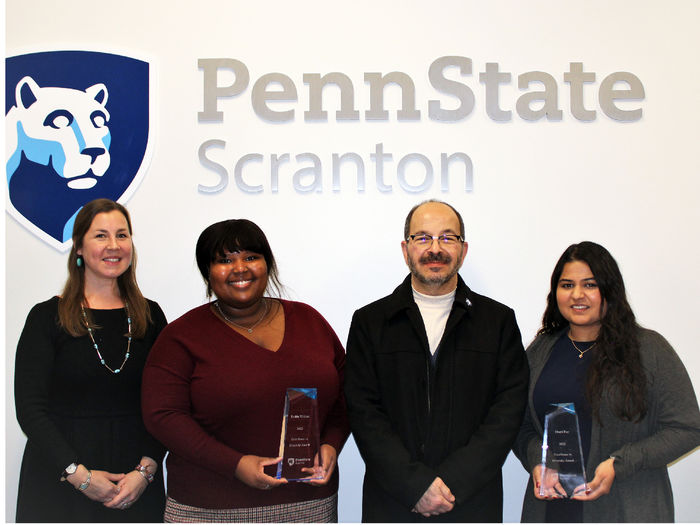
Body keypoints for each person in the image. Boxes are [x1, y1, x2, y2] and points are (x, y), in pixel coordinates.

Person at [142, 218, 349, 523]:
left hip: (309, 504)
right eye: (224, 260)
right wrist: (235, 464)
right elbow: (163, 417)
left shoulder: (309, 321)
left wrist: (331, 443)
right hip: (210, 508)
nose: (240, 268)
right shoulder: (181, 337)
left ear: (268, 264)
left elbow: (347, 396)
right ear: (207, 273)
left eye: (251, 257)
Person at [344, 199, 529, 522]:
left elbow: (507, 410)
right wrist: (414, 485)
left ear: (463, 249)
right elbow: (363, 413)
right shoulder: (371, 322)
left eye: (447, 238)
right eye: (423, 238)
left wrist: (453, 482)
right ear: (406, 249)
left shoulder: (497, 322)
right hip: (393, 502)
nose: (435, 248)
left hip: (472, 503)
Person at [513, 241, 700, 522]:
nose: (577, 295)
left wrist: (620, 464)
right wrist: (537, 461)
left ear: (609, 290)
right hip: (552, 510)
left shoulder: (649, 349)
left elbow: (687, 428)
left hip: (627, 508)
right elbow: (519, 425)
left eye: (590, 285)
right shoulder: (541, 350)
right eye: (566, 285)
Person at [14, 198, 167, 522]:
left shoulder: (151, 316)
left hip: (135, 484)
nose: (114, 245)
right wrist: (78, 475)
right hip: (60, 483)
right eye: (101, 235)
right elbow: (30, 410)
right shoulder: (45, 318)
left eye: (122, 235)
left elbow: (166, 405)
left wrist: (146, 471)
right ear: (79, 247)